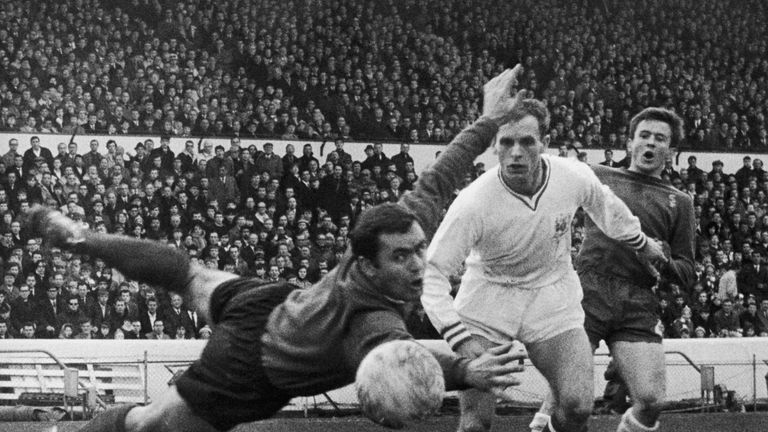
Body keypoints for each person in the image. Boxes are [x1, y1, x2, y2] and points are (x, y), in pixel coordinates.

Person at [36, 67, 531, 432]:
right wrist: (463, 368)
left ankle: (82, 238)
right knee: (147, 426)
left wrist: (488, 122)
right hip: (251, 368)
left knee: (187, 274)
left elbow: (440, 175)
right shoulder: (372, 320)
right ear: (365, 264)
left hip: (274, 301)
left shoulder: (393, 230)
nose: (419, 264)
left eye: (420, 251)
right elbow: (397, 359)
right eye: (402, 257)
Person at [421, 100, 668, 432]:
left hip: (552, 295)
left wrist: (642, 243)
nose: (516, 152)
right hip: (488, 298)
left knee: (578, 408)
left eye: (527, 141)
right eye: (506, 142)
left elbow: (607, 207)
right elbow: (432, 273)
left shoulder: (572, 175)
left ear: (545, 143)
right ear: (494, 146)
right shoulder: (473, 202)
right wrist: (461, 339)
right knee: (474, 425)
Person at [530, 107, 696, 432]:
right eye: (644, 136)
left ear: (671, 151)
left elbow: (687, 271)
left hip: (637, 302)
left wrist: (662, 258)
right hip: (586, 293)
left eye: (660, 139)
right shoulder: (598, 175)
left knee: (651, 401)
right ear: (630, 142)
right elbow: (545, 181)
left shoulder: (680, 202)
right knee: (569, 400)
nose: (650, 144)